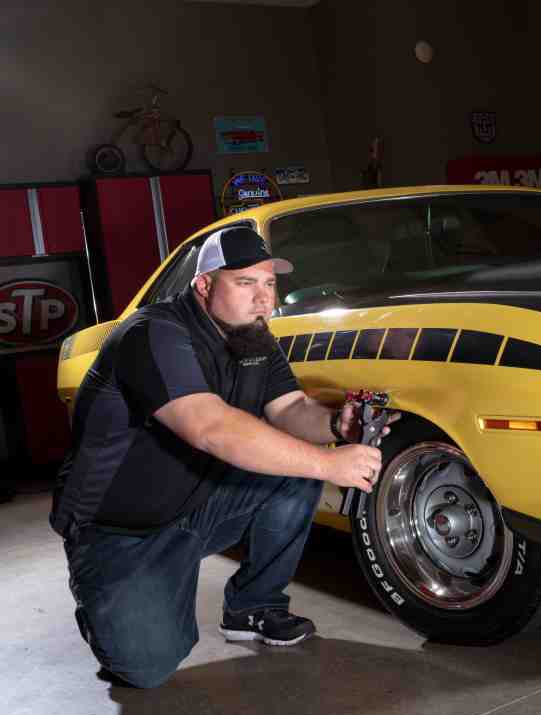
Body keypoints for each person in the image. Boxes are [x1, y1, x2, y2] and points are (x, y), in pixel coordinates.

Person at [50, 226, 393, 689]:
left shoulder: (253, 338)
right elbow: (208, 427)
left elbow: (290, 409)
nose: (263, 300)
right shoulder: (153, 334)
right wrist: (329, 463)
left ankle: (253, 607)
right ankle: (104, 607)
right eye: (246, 283)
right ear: (205, 285)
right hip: (118, 530)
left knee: (295, 472)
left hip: (196, 506)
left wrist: (336, 426)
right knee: (145, 667)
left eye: (269, 284)